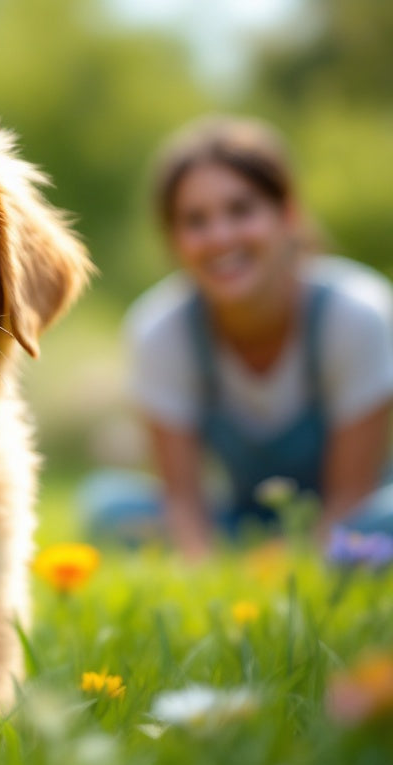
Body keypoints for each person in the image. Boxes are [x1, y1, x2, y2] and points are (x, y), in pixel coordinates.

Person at [81, 115, 393, 558]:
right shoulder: (160, 331)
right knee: (107, 507)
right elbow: (184, 503)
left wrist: (285, 569)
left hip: (350, 526)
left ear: (287, 216)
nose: (220, 237)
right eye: (196, 221)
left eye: (241, 210)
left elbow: (352, 496)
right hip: (240, 521)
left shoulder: (356, 313)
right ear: (174, 239)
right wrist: (206, 570)